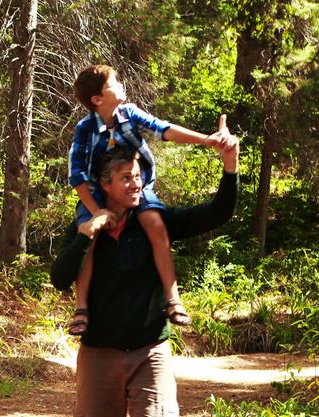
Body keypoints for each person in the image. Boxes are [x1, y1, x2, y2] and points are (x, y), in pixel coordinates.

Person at [49, 116, 240, 417]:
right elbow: (59, 278)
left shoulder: (156, 221)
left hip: (150, 347)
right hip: (98, 350)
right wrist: (83, 237)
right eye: (125, 178)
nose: (135, 183)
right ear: (105, 185)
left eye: (138, 175)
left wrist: (229, 167)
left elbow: (217, 213)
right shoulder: (88, 226)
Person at [67, 64, 228, 336]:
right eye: (114, 83)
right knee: (90, 239)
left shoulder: (129, 114)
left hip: (135, 188)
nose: (121, 85)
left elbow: (163, 129)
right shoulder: (85, 129)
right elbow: (78, 177)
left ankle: (173, 298)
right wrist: (97, 213)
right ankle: (81, 307)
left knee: (155, 224)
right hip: (97, 193)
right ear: (97, 99)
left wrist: (207, 140)